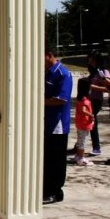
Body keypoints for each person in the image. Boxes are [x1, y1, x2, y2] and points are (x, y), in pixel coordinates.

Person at [43, 48, 73, 204]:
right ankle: (46, 188)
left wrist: (39, 102)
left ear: (49, 55)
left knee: (57, 159)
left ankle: (55, 191)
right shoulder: (46, 72)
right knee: (47, 157)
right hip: (46, 122)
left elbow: (62, 99)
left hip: (58, 124)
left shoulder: (63, 74)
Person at [86, 52, 109, 156]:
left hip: (96, 100)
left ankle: (96, 147)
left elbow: (107, 88)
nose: (91, 62)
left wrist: (92, 87)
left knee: (92, 121)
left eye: (93, 60)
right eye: (90, 60)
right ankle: (81, 146)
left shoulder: (103, 72)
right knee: (87, 122)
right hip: (89, 99)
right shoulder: (93, 72)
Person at [73, 78, 95, 166]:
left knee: (80, 139)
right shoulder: (85, 99)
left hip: (79, 122)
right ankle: (81, 159)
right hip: (84, 123)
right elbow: (83, 110)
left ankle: (78, 156)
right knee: (83, 141)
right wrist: (91, 115)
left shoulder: (80, 98)